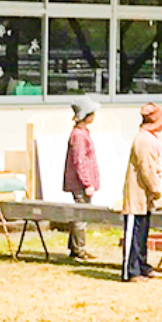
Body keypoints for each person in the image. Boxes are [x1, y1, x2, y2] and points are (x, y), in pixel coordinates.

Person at [121, 103, 162, 282]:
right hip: (137, 195)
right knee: (133, 234)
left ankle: (142, 266)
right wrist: (155, 188)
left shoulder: (150, 138)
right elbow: (146, 168)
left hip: (145, 197)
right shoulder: (143, 140)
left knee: (142, 233)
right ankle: (131, 271)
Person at [63, 96, 101, 261]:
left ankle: (75, 247)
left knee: (80, 215)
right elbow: (79, 161)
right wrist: (87, 183)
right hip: (80, 184)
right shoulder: (78, 135)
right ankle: (79, 249)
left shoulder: (83, 133)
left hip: (83, 182)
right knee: (81, 216)